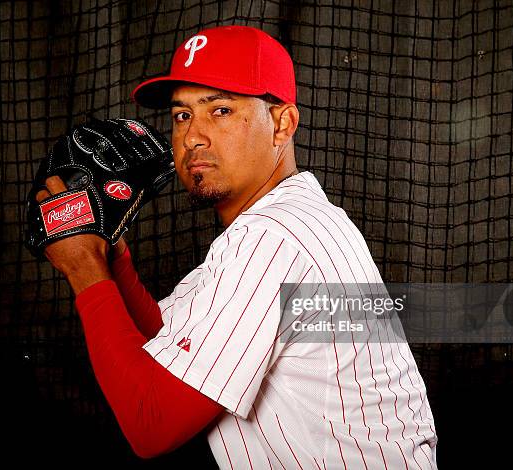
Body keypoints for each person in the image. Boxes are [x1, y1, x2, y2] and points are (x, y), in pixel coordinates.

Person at [35, 25, 438, 468]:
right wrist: (111, 257)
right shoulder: (287, 219)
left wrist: (83, 270)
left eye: (221, 110)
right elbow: (165, 341)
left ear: (282, 124)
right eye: (182, 115)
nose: (192, 137)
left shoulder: (273, 237)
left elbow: (151, 424)